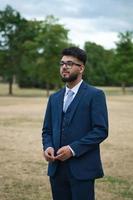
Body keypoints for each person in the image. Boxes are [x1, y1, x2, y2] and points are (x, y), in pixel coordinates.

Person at [42, 46, 108, 200]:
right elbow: (47, 130)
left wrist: (72, 149)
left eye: (70, 63)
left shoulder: (95, 95)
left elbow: (100, 130)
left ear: (81, 68)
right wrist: (48, 147)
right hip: (56, 170)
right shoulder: (54, 98)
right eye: (62, 63)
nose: (64, 67)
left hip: (82, 169)